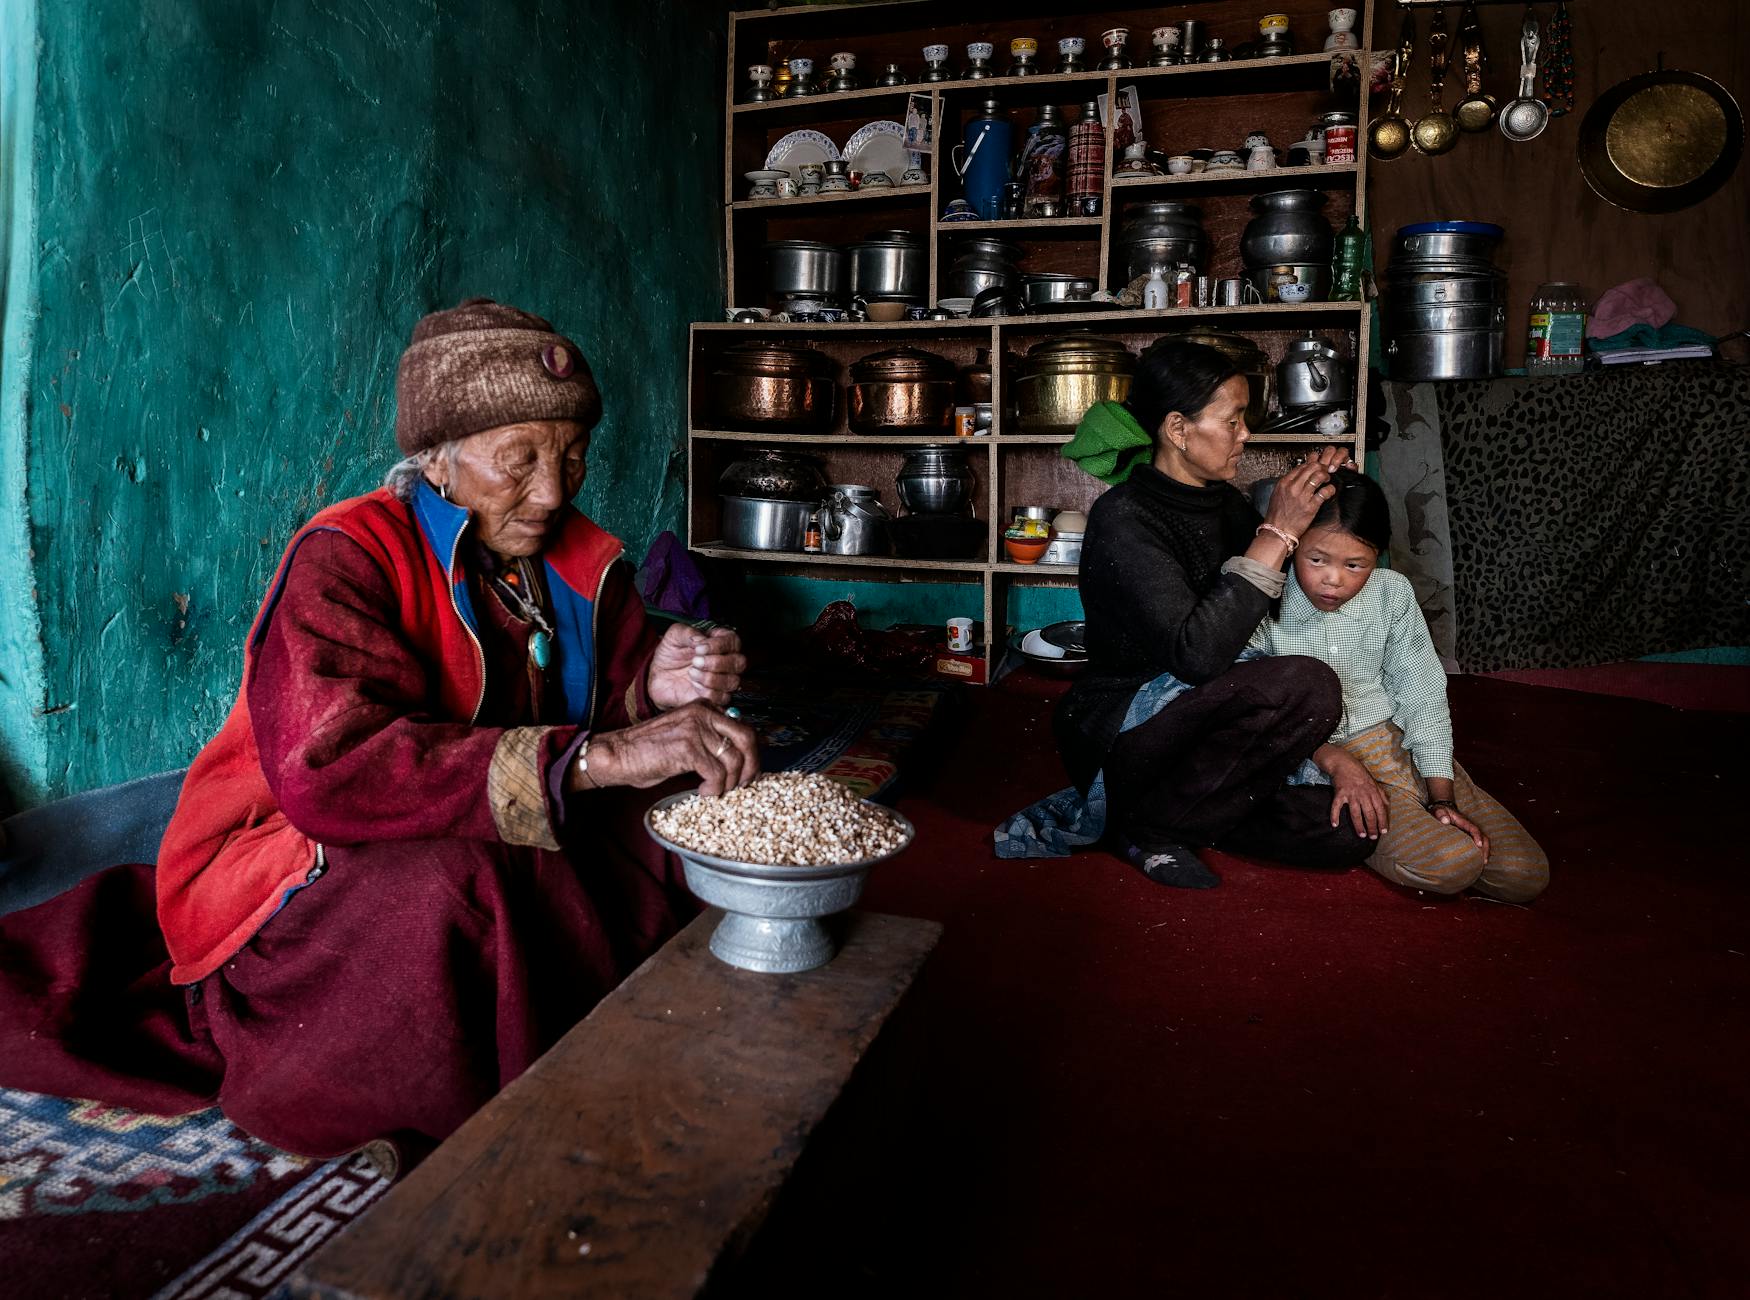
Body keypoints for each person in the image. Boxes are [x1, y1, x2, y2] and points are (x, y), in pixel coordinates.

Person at [0, 298, 757, 1169]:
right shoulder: (348, 558)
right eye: (519, 461)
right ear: (436, 459)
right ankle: (510, 1104)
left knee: (688, 796)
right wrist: (593, 755)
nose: (553, 492)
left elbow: (608, 685)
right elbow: (335, 770)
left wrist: (654, 683)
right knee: (458, 883)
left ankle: (648, 1005)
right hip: (295, 851)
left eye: (572, 457)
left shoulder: (571, 557)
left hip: (483, 818)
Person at [1020, 337, 1369, 888]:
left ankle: (1151, 820)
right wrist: (1277, 530)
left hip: (1208, 722)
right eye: (1232, 421)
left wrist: (1317, 497)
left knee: (1346, 833)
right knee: (1309, 685)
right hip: (1128, 726)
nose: (1245, 435)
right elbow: (1197, 655)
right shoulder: (1125, 518)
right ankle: (1154, 825)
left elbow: (1266, 604)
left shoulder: (1224, 503)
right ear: (1179, 430)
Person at [1249, 469, 1549, 902]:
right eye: (1316, 560)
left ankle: (1434, 815)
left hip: (1398, 744)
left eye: (1355, 565)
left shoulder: (1392, 593)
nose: (1333, 579)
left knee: (1525, 875)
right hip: (1327, 760)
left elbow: (1422, 692)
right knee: (1452, 864)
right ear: (1294, 545)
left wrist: (1440, 794)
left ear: (1379, 555)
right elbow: (1252, 708)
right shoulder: (1267, 595)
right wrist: (1327, 758)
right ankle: (1421, 840)